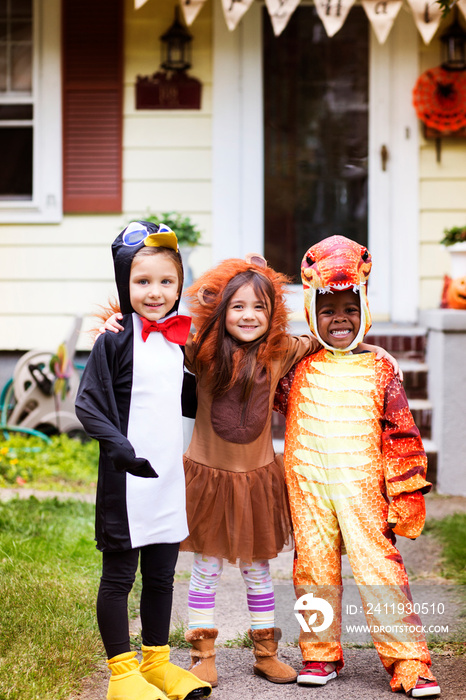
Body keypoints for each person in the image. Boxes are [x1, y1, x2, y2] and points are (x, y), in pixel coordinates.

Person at [102, 252, 401, 688]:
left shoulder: (280, 352)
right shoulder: (199, 350)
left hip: (258, 480)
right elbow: (153, 329)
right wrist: (116, 322)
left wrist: (365, 347)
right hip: (208, 478)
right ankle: (202, 653)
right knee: (205, 569)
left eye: (259, 307)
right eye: (237, 306)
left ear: (273, 313)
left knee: (259, 571)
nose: (248, 316)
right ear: (221, 311)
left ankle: (265, 652)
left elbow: (325, 338)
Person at [282, 235, 440, 698]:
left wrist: (407, 492)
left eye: (351, 309)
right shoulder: (295, 367)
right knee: (312, 567)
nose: (340, 319)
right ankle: (320, 654)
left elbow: (402, 433)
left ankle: (409, 660)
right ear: (311, 311)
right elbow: (246, 346)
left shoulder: (380, 369)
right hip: (309, 488)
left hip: (363, 489)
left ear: (365, 310)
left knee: (380, 569)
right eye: (328, 310)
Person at [75, 221, 211, 700]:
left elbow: (186, 397)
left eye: (166, 282)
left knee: (160, 575)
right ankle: (122, 674)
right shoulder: (113, 340)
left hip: (168, 479)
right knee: (119, 577)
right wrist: (121, 450)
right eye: (142, 282)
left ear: (179, 285)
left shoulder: (177, 339)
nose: (155, 292)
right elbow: (88, 404)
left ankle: (156, 663)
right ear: (124, 283)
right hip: (126, 482)